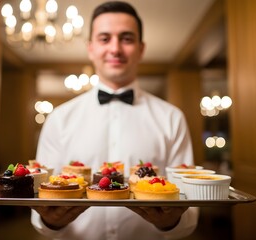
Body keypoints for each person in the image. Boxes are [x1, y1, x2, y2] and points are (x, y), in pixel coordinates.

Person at [31, 1, 199, 239]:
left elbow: (189, 207)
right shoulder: (59, 118)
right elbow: (40, 199)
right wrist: (49, 221)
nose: (115, 48)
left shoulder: (172, 118)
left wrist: (172, 222)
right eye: (104, 38)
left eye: (127, 38)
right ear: (90, 48)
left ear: (141, 49)